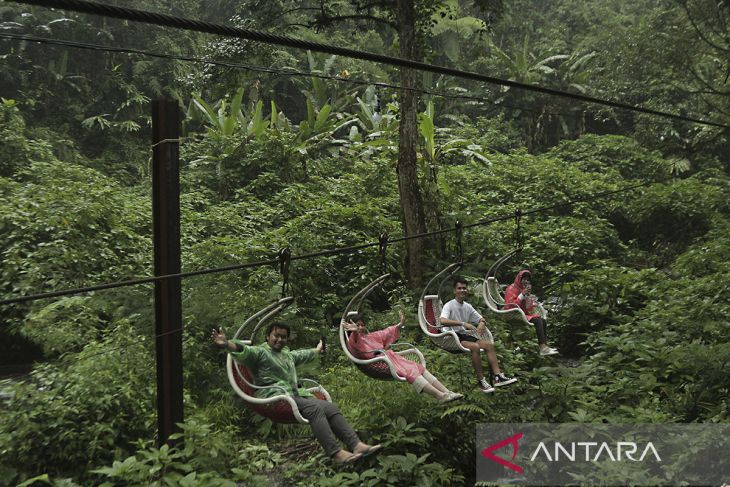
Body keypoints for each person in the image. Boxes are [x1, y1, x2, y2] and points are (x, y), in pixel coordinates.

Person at [211, 321, 381, 464]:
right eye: (276, 335)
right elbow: (244, 351)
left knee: (329, 407)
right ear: (267, 336)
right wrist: (227, 343)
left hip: (293, 396)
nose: (279, 339)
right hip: (275, 397)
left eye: (283, 337)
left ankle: (356, 444)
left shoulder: (286, 354)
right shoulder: (260, 352)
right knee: (315, 409)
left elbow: (301, 355)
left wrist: (316, 350)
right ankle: (335, 453)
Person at [344, 310, 463, 403]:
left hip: (390, 360)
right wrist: (354, 332)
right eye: (357, 326)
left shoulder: (370, 336)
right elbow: (356, 346)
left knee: (418, 367)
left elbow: (385, 332)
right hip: (380, 364)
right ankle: (439, 395)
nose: (360, 328)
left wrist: (399, 324)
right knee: (410, 371)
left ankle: (447, 392)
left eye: (361, 325)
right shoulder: (353, 341)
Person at [440, 276, 518, 393]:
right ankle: (481, 381)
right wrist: (463, 323)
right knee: (475, 347)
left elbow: (481, 318)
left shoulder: (467, 306)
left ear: (467, 290)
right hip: (451, 335)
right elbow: (442, 321)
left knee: (488, 345)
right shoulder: (449, 305)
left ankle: (498, 376)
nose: (462, 290)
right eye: (459, 288)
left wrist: (481, 323)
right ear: (454, 291)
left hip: (463, 334)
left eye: (464, 288)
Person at [504, 270, 559, 356]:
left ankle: (544, 346)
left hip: (523, 314)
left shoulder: (524, 290)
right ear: (519, 279)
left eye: (527, 280)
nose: (526, 281)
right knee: (538, 321)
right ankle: (542, 347)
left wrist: (528, 297)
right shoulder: (511, 288)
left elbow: (529, 309)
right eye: (524, 279)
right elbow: (510, 306)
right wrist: (522, 295)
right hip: (513, 313)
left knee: (542, 320)